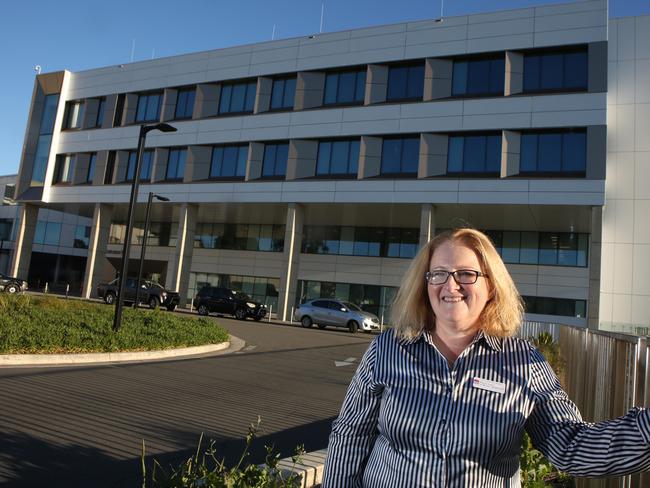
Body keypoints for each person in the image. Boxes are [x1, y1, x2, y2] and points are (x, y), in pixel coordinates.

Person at [322, 228, 650, 487]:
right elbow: (350, 435)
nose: (451, 284)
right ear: (425, 285)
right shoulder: (387, 350)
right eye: (438, 273)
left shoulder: (525, 364)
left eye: (466, 273)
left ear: (491, 286)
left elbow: (569, 444)